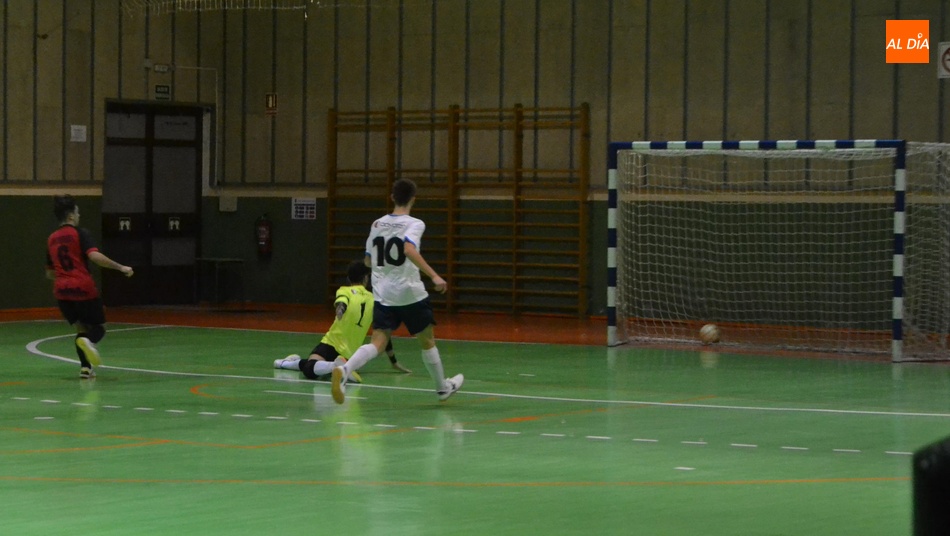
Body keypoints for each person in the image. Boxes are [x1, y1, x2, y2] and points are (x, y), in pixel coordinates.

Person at [330, 178, 463, 404]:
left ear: (392, 197)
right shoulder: (415, 223)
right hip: (409, 293)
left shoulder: (377, 225)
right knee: (427, 340)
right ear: (413, 199)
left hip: (383, 295)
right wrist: (434, 275)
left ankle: (345, 369)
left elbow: (368, 261)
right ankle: (442, 388)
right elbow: (408, 249)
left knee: (378, 343)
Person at [273, 260, 412, 380]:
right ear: (366, 278)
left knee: (310, 369)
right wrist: (393, 361)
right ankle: (288, 363)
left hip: (331, 343)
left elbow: (342, 301)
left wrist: (340, 308)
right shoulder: (374, 300)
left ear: (348, 279)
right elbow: (382, 335)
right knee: (314, 365)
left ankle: (335, 366)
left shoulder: (344, 290)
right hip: (351, 354)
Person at [45, 195, 134, 378]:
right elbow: (94, 257)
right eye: (77, 212)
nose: (79, 215)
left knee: (81, 328)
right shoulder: (80, 234)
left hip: (62, 292)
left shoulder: (51, 239)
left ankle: (86, 368)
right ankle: (89, 342)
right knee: (98, 328)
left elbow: (49, 273)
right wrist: (120, 267)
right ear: (71, 215)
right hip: (82, 288)